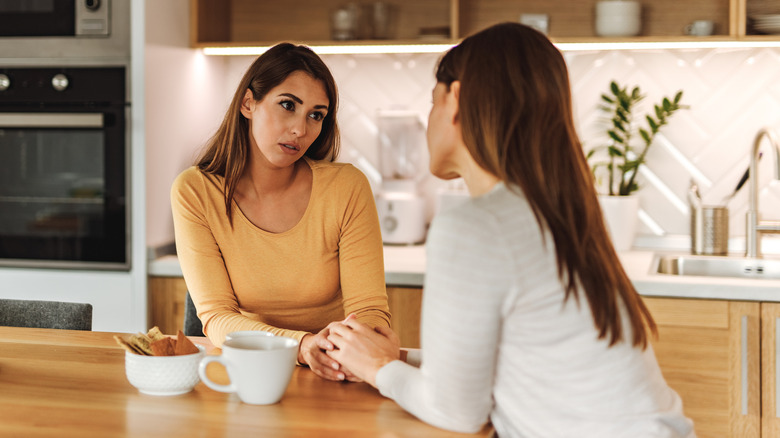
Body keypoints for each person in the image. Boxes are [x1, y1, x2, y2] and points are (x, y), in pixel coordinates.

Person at [324, 23, 695, 437]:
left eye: (433, 101)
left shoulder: (475, 225)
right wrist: (399, 358)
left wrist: (379, 369)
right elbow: (513, 363)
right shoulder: (555, 212)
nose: (429, 119)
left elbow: (456, 411)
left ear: (457, 99)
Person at [171, 43, 390, 382]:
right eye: (288, 105)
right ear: (248, 103)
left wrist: (355, 347)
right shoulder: (195, 191)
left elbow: (370, 310)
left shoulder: (346, 187)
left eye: (315, 115)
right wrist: (302, 346)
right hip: (245, 371)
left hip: (333, 371)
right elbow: (216, 317)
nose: (300, 130)